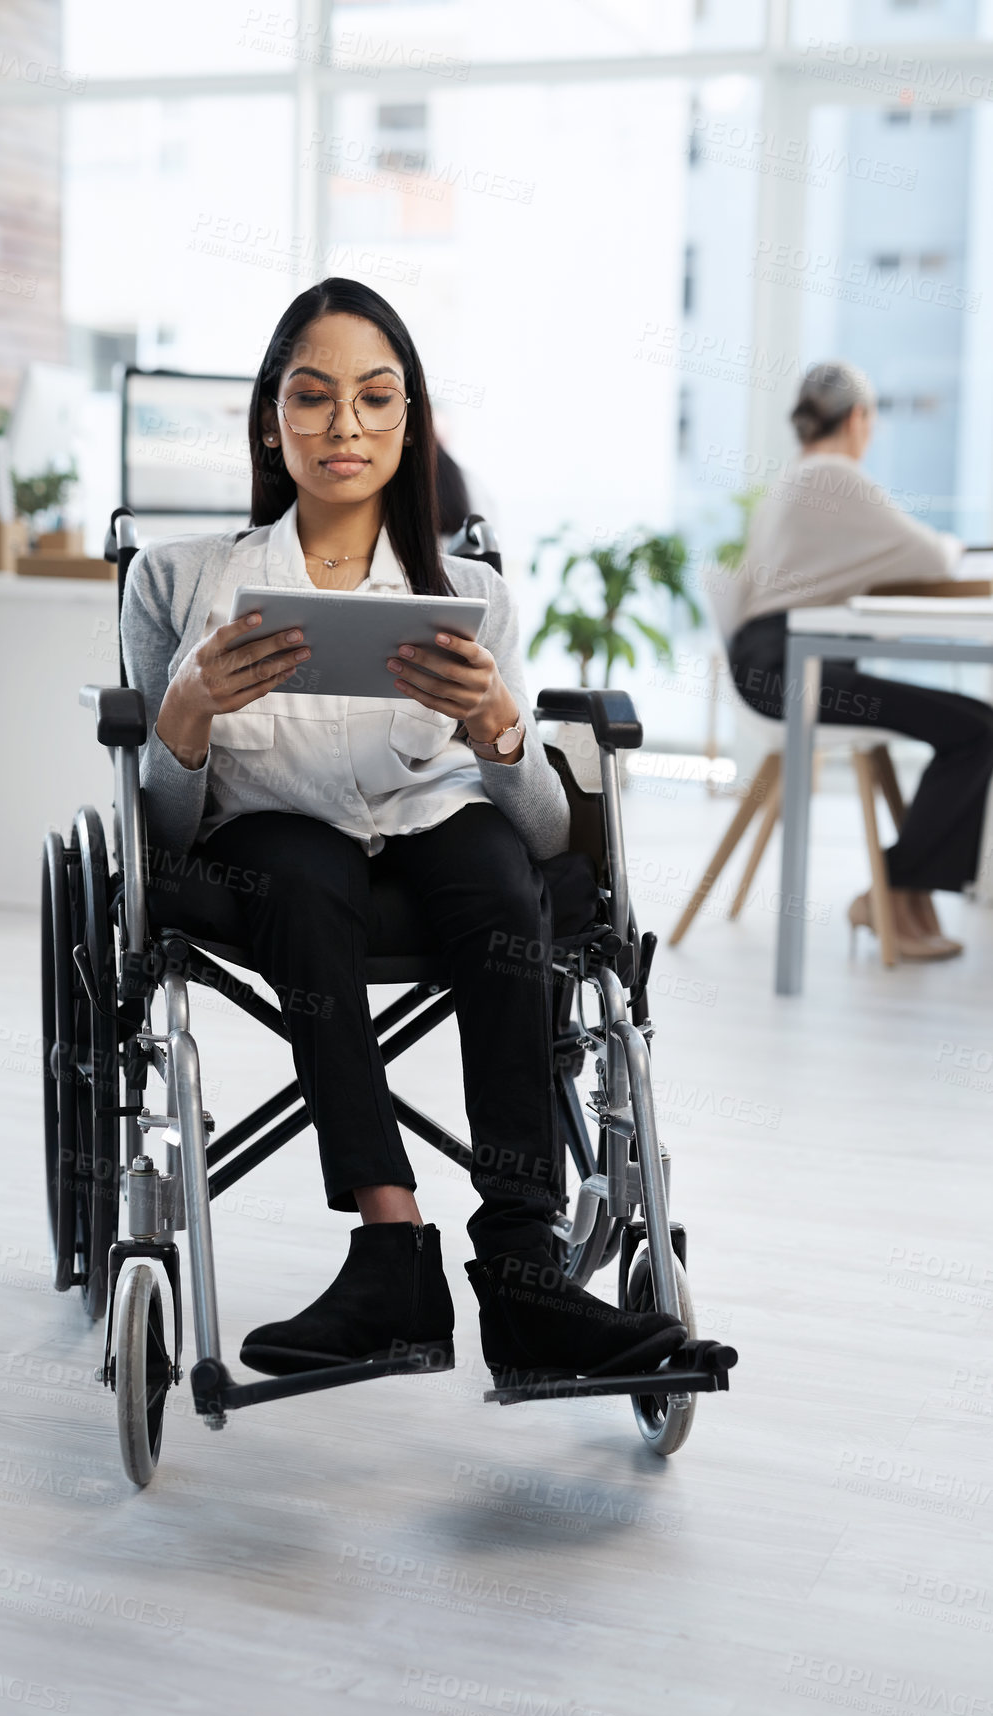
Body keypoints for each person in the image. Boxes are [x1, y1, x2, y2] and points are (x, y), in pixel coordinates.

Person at [121, 277, 684, 1384]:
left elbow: (536, 826)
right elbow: (159, 830)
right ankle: (390, 1250)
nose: (344, 426)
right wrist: (185, 712)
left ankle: (525, 1268)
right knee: (301, 870)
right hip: (274, 843)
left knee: (488, 864)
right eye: (314, 396)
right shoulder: (179, 578)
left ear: (410, 421)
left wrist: (495, 727)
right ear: (270, 417)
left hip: (436, 832)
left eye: (377, 399)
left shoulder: (470, 590)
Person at [727, 360, 993, 961]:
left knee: (974, 726)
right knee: (977, 729)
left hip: (777, 666)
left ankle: (904, 891)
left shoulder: (794, 477)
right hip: (792, 672)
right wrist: (955, 546)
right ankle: (894, 889)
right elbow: (931, 557)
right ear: (859, 418)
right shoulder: (835, 476)